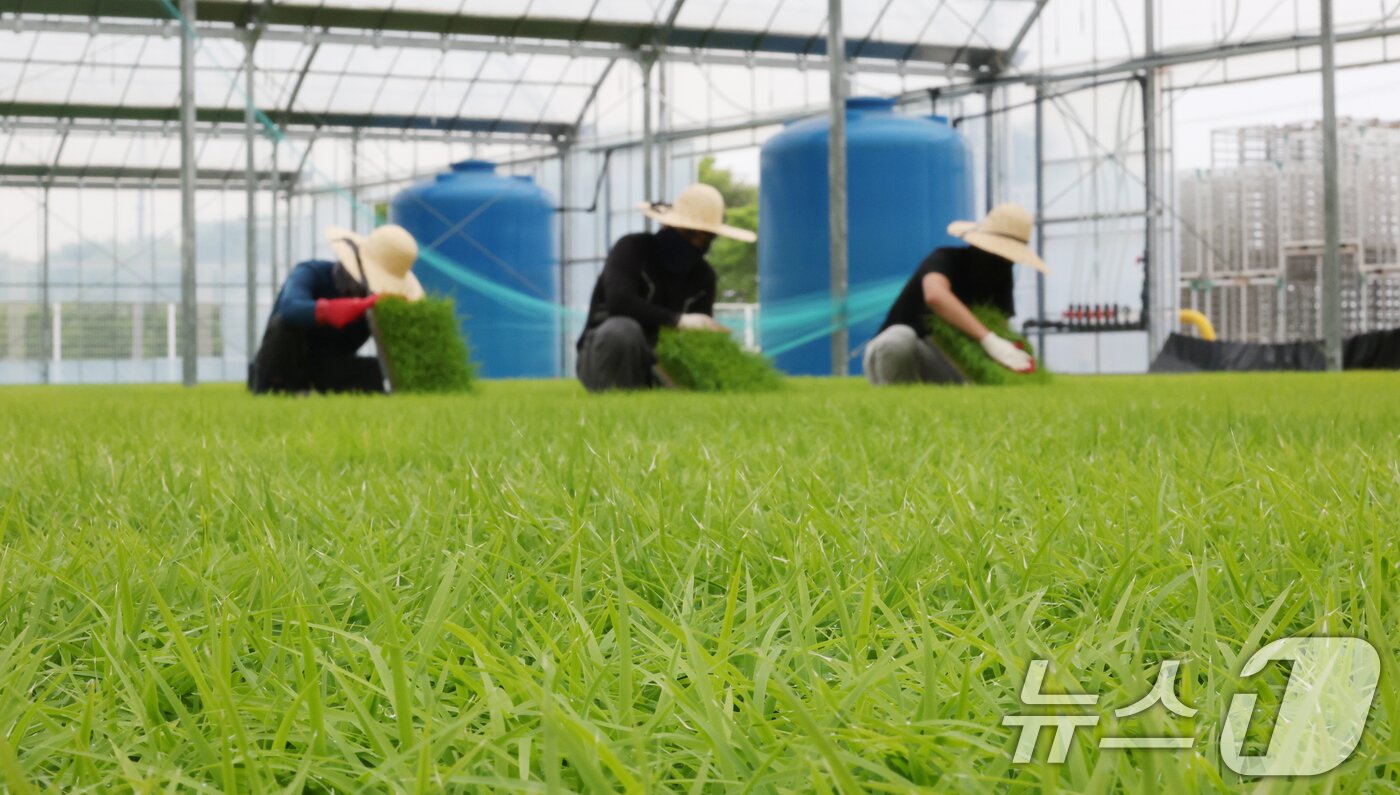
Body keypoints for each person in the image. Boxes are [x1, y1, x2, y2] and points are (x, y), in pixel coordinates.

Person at [576, 183, 757, 391]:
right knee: (623, 330)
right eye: (690, 234)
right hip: (604, 353)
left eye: (706, 237)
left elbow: (697, 342)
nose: (697, 243)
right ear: (667, 225)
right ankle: (617, 396)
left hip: (657, 361)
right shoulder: (632, 249)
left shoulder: (704, 277)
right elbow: (620, 302)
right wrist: (678, 320)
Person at [864, 203, 1049, 385]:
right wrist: (989, 339)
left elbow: (999, 324)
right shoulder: (945, 259)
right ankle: (895, 396)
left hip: (939, 359)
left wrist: (1006, 351)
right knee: (899, 339)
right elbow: (935, 296)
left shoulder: (1002, 277)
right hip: (893, 355)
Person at [249, 224, 425, 395]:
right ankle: (279, 388)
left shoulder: (376, 302)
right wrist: (343, 309)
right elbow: (290, 309)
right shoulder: (311, 272)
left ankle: (309, 389)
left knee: (380, 372)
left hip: (326, 369)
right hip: (280, 367)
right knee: (282, 324)